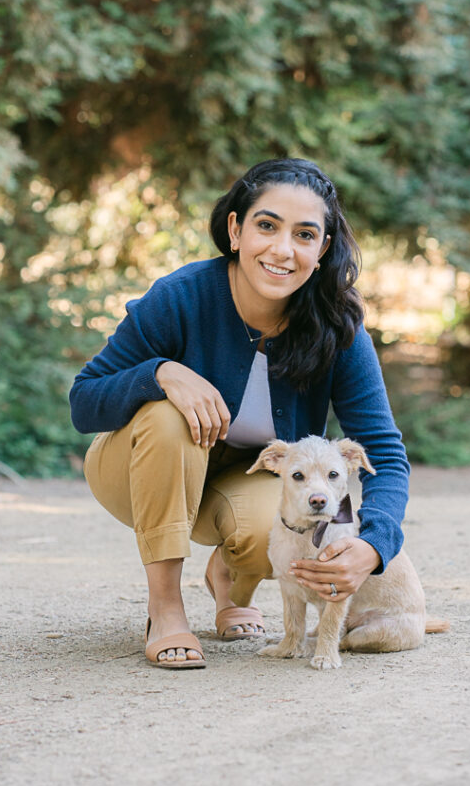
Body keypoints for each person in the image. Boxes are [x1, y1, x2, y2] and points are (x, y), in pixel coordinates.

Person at [69, 157, 410, 669]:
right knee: (166, 417)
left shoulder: (338, 327)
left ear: (321, 250)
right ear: (235, 229)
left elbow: (382, 450)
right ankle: (166, 609)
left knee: (284, 520)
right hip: (138, 470)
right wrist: (160, 373)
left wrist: (374, 544)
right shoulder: (181, 297)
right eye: (267, 226)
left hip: (235, 481)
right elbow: (84, 399)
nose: (282, 249)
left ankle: (230, 583)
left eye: (304, 235)